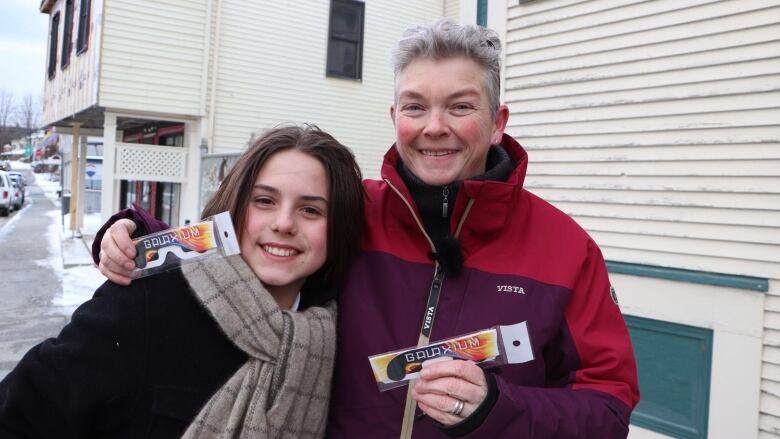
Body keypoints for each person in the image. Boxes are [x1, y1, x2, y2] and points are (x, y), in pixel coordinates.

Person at [94, 19, 640, 438]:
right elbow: (251, 244)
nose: (434, 127)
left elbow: (610, 409)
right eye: (415, 106)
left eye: (461, 106)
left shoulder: (567, 251)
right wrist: (134, 232)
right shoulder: (352, 210)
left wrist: (499, 407)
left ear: (498, 123)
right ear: (394, 115)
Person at [0, 125, 365, 438]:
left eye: (311, 210)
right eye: (265, 201)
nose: (284, 223)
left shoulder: (332, 339)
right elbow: (22, 413)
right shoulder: (149, 301)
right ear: (235, 209)